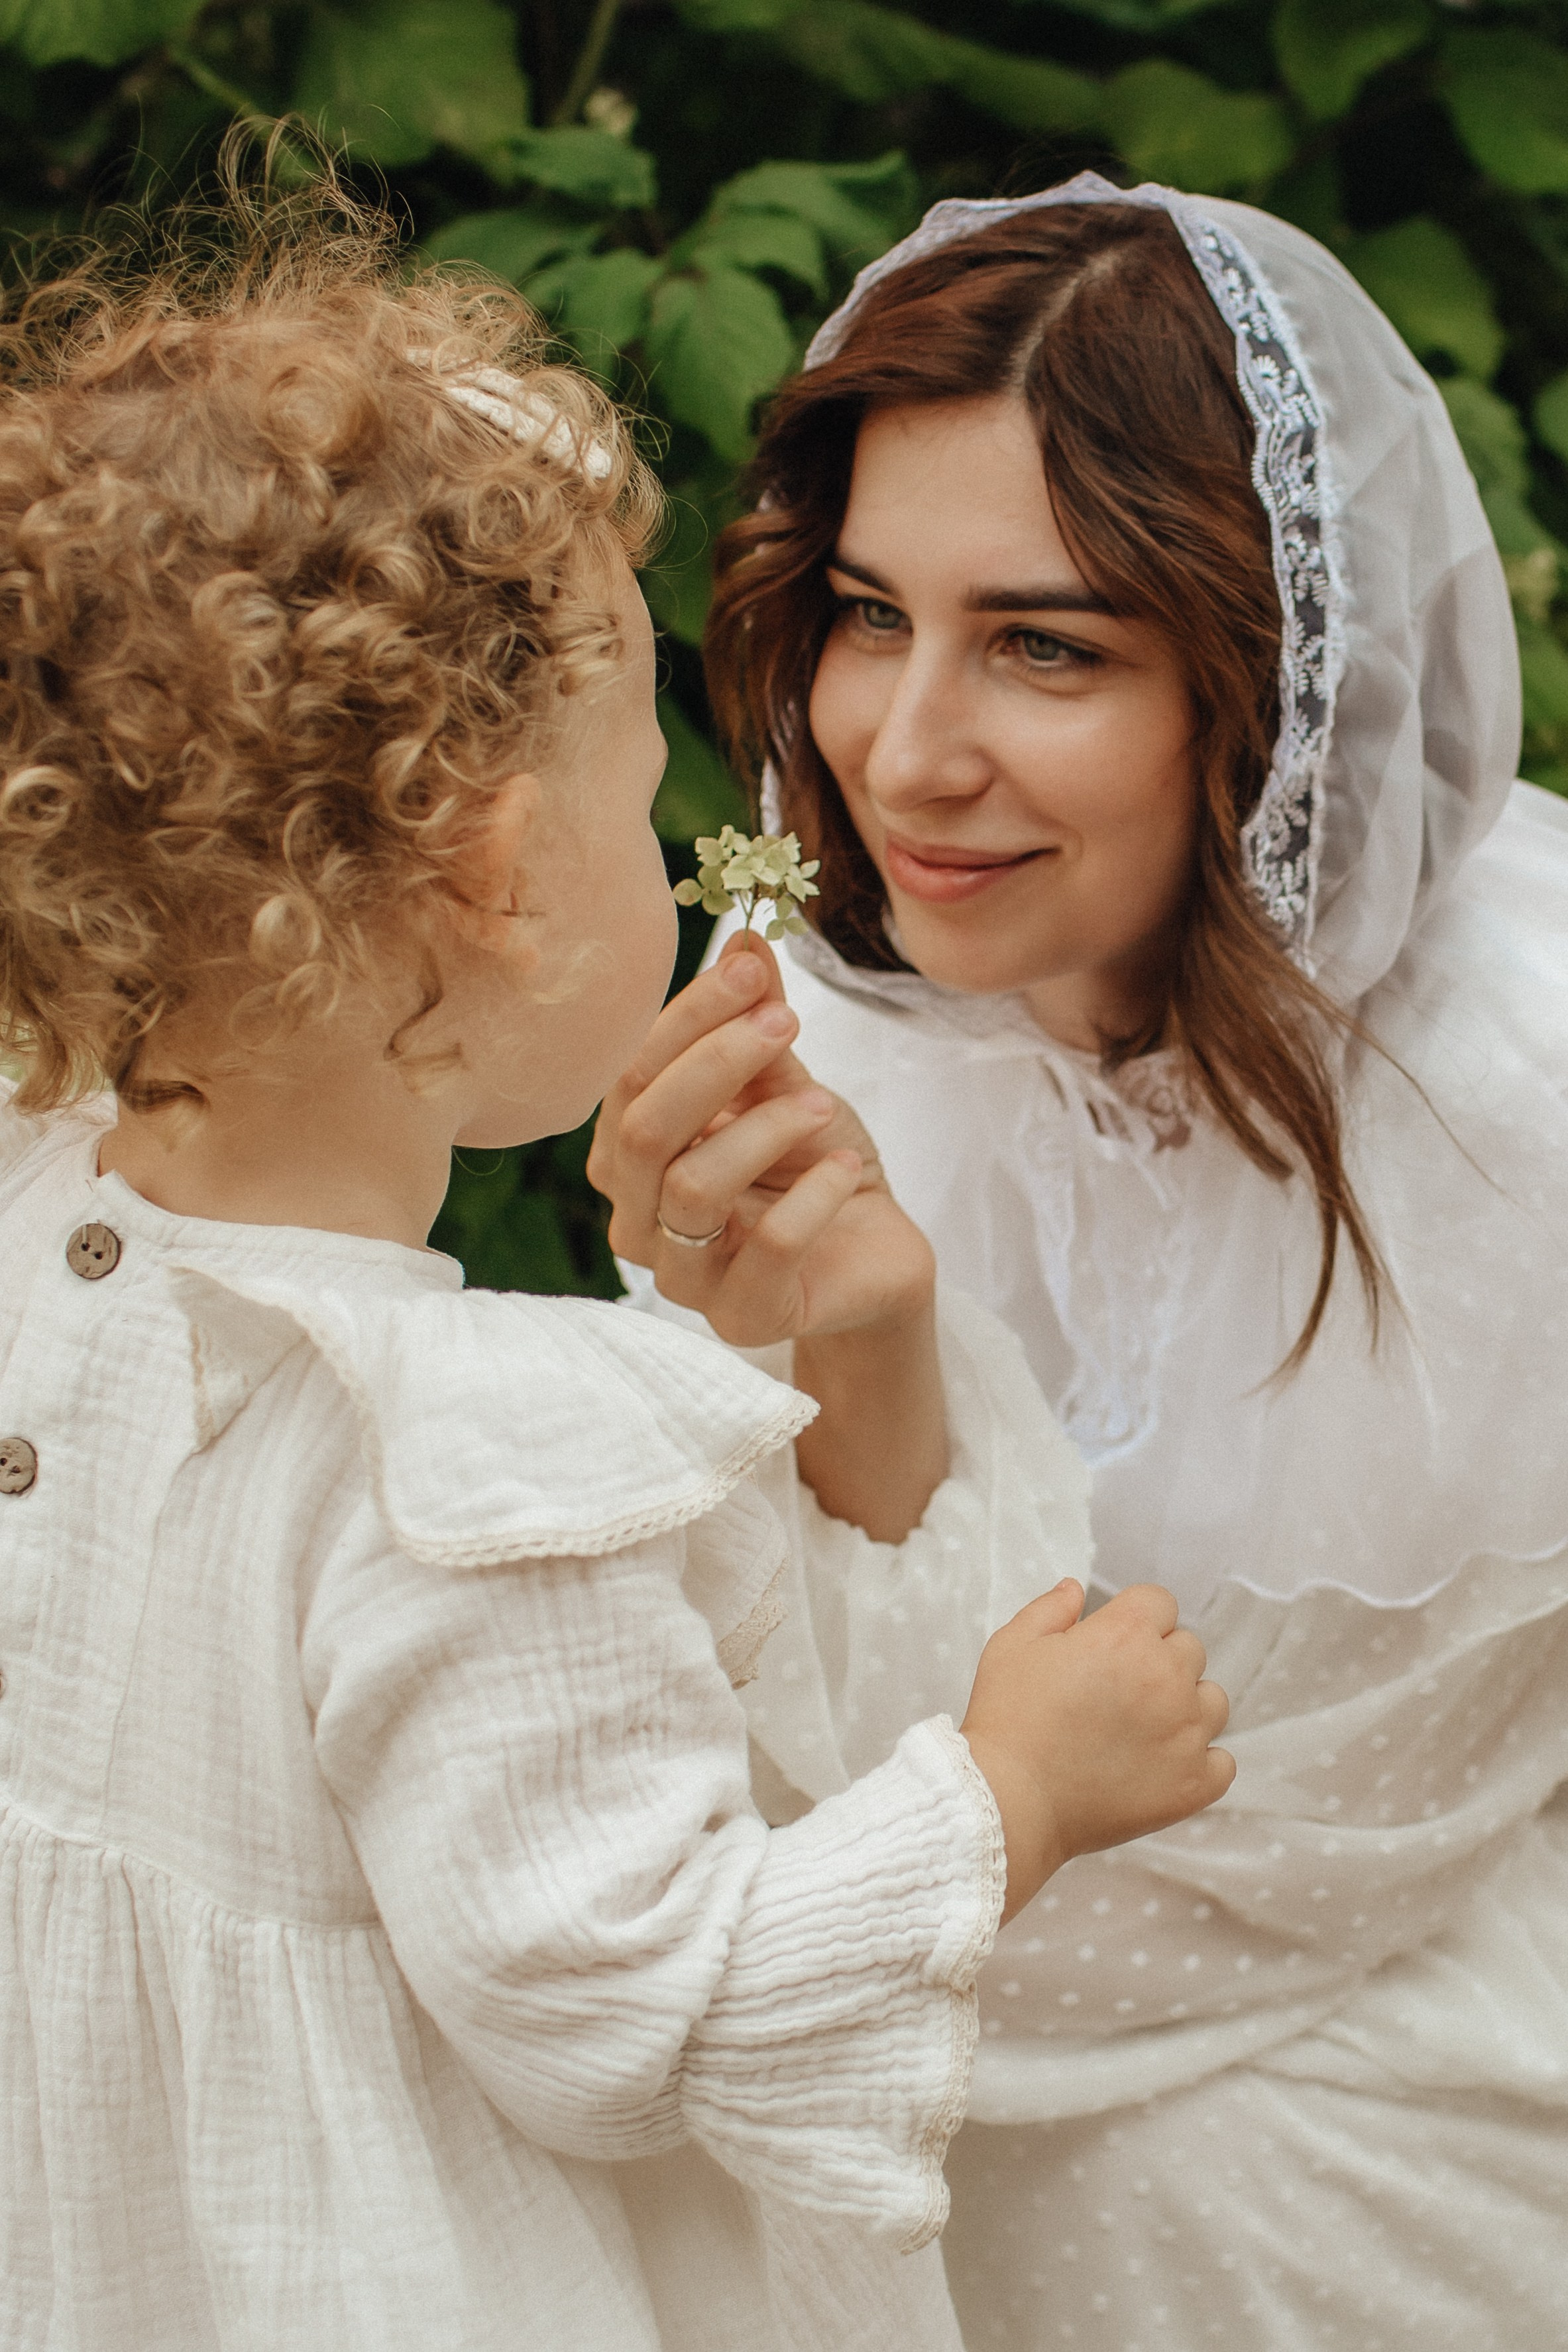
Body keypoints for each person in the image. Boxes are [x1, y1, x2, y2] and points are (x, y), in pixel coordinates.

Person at [0, 162, 1236, 2352]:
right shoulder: (473, 1474)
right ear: (496, 874)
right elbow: (655, 2020)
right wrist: (1010, 1793)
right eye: (634, 764)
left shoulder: (32, 1218)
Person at [598, 176, 1568, 2347]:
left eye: (1045, 644)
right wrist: (846, 1367)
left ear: (1266, 667)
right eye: (867, 614)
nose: (906, 752)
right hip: (854, 2052)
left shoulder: (1537, 1093)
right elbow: (730, 1731)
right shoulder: (814, 1015)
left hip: (1371, 2122)